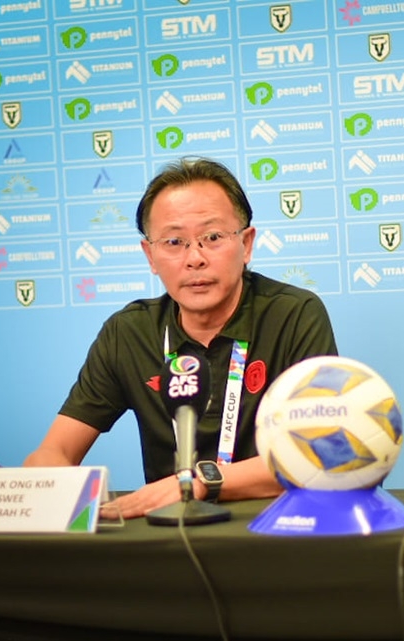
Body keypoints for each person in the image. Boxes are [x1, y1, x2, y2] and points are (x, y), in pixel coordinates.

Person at [24, 157, 338, 518]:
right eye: (174, 241)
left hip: (272, 531)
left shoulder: (293, 315)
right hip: (170, 542)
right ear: (150, 255)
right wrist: (46, 482)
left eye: (213, 238)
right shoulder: (129, 332)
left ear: (246, 245)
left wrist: (195, 482)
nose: (194, 258)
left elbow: (317, 454)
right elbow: (54, 451)